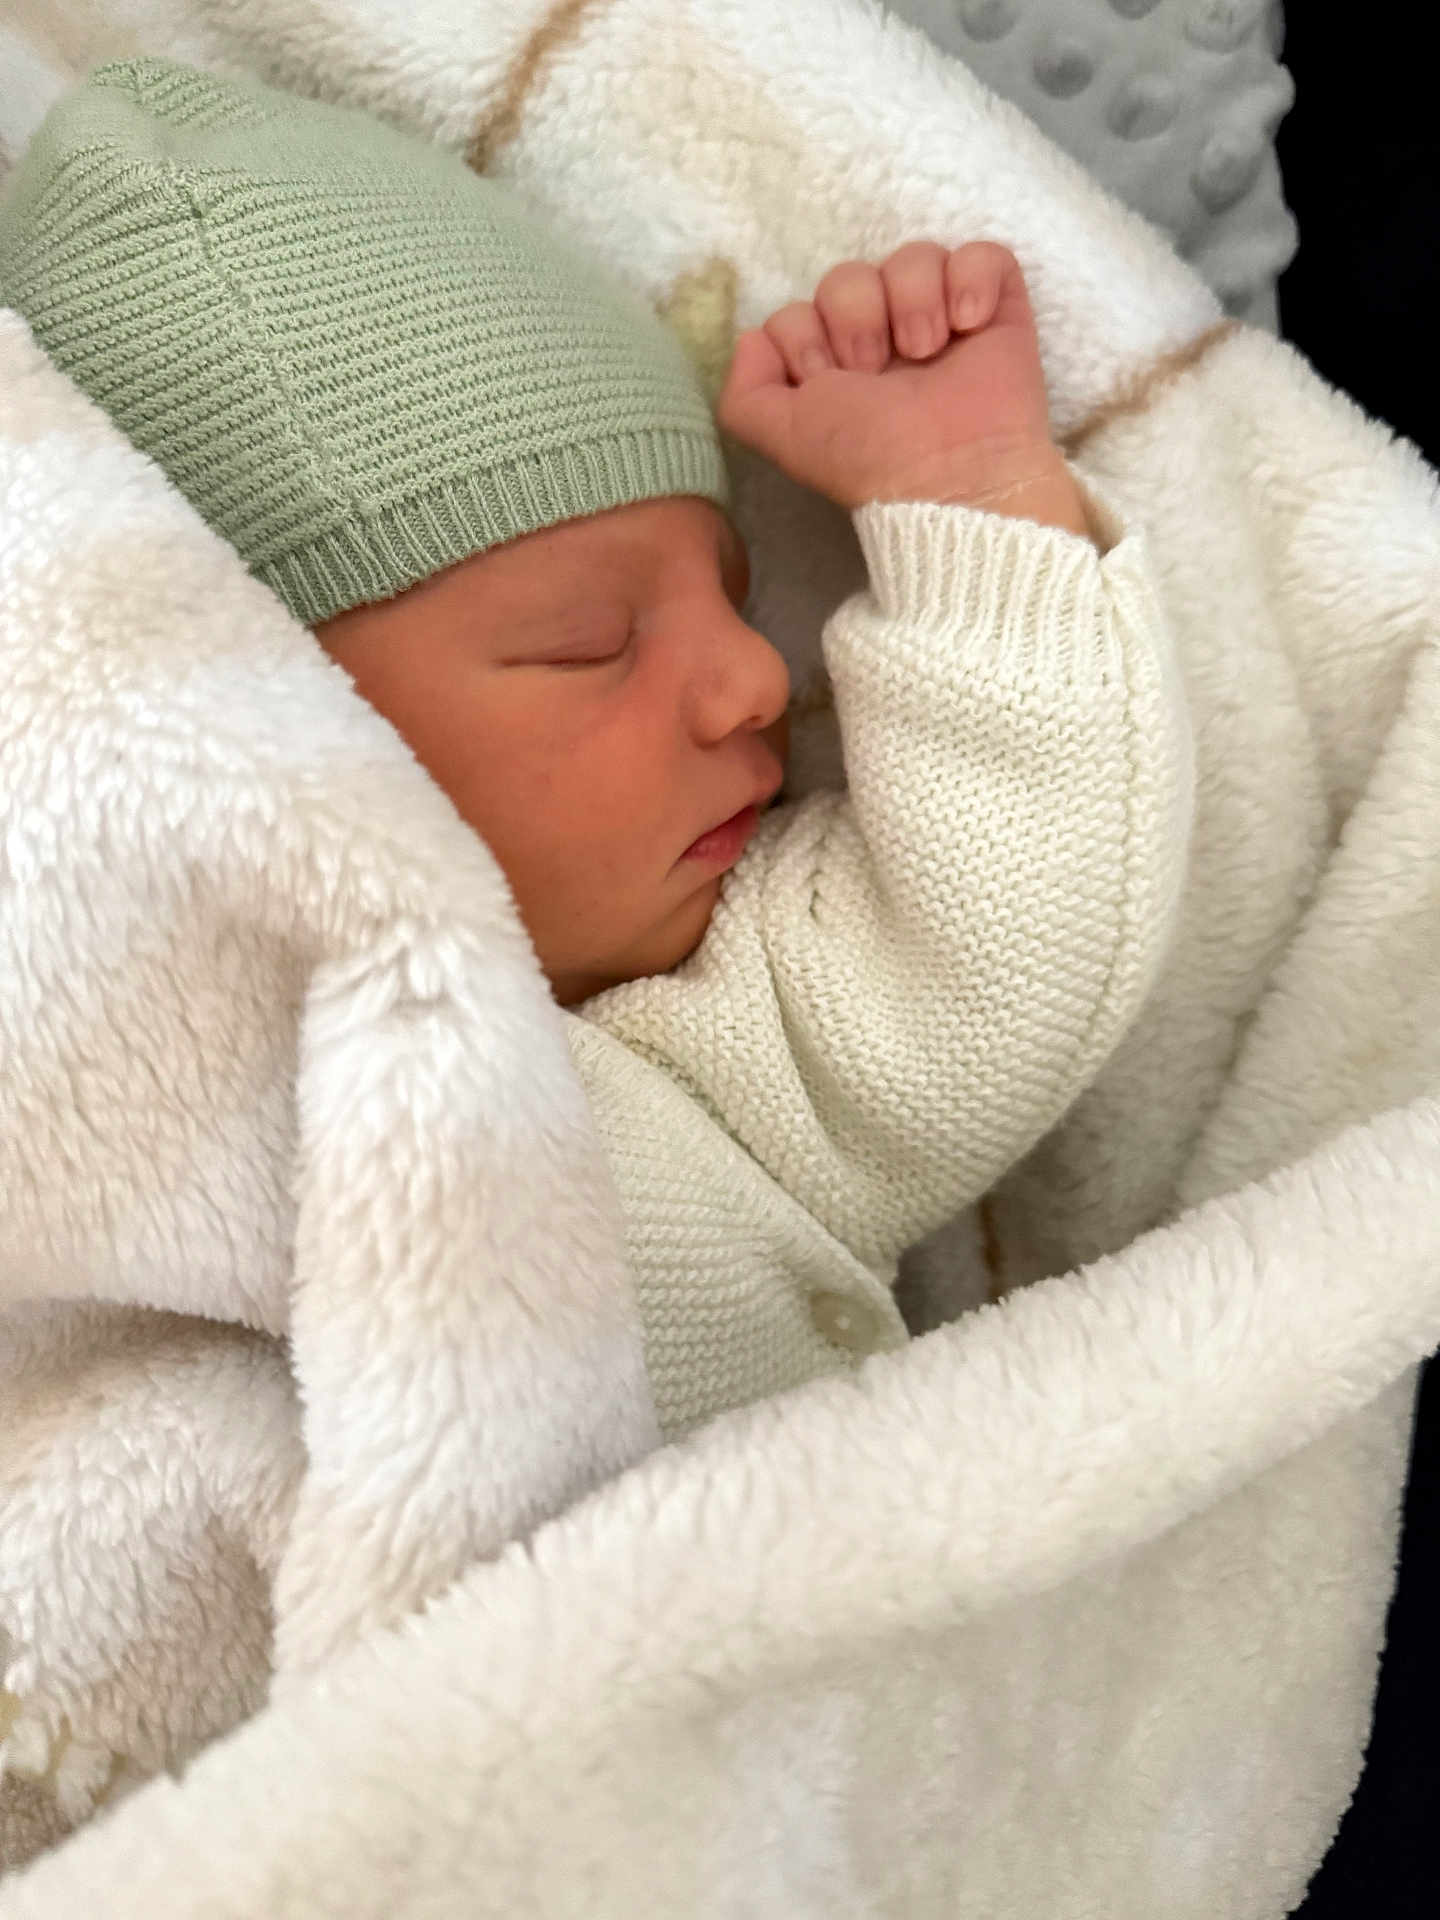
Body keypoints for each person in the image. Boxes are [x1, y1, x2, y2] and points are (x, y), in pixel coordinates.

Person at [0, 57, 1192, 1443]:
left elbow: (1004, 951)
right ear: (240, 730)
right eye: (586, 641)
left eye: (738, 600)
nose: (755, 677)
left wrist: (973, 498)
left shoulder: (704, 1059)